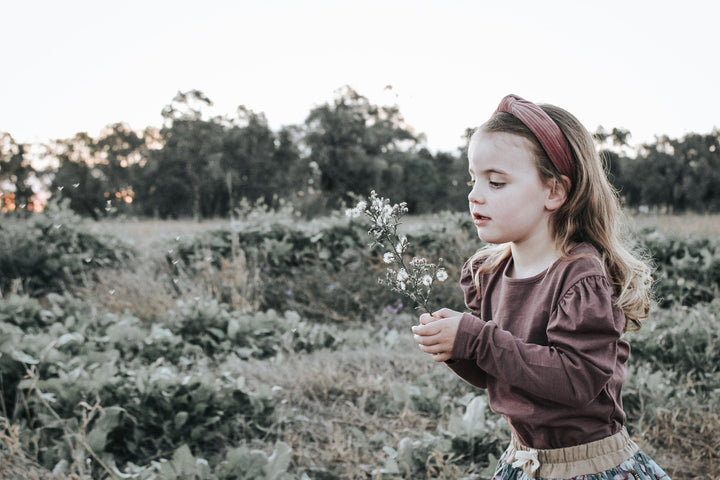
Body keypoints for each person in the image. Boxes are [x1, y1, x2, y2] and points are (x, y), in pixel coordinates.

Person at [411, 94, 670, 479]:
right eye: (473, 179)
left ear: (554, 192)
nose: (474, 195)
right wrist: (458, 348)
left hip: (589, 465)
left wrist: (479, 340)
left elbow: (575, 380)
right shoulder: (489, 272)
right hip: (526, 460)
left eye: (496, 182)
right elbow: (504, 372)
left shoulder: (581, 278)